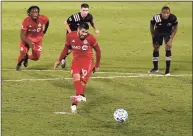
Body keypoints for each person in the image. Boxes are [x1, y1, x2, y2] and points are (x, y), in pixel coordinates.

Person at [54, 23, 101, 113]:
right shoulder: (70, 36)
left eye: (86, 32)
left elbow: (98, 50)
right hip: (76, 60)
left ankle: (75, 103)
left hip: (88, 61)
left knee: (82, 83)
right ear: (78, 30)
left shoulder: (91, 38)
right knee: (76, 78)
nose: (84, 34)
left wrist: (97, 65)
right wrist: (59, 60)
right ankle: (81, 96)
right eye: (83, 32)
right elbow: (66, 48)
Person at [61, 3, 100, 68]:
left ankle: (82, 60)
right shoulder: (75, 17)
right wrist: (70, 32)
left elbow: (92, 22)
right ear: (80, 10)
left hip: (81, 33)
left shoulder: (89, 16)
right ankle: (63, 59)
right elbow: (66, 22)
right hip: (73, 32)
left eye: (87, 10)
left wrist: (95, 30)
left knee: (81, 47)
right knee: (72, 48)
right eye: (84, 10)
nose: (85, 12)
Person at [16, 5, 49, 71]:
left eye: (36, 12)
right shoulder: (26, 20)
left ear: (38, 13)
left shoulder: (43, 18)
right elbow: (22, 35)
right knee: (22, 53)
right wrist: (29, 42)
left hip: (37, 40)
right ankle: (19, 64)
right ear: (29, 13)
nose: (34, 13)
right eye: (33, 12)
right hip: (26, 39)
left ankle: (26, 57)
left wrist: (44, 31)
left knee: (36, 58)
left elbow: (47, 21)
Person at [149, 6, 178, 75]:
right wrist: (153, 35)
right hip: (158, 33)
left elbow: (175, 29)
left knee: (168, 48)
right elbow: (151, 25)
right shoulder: (156, 17)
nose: (165, 14)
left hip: (168, 34)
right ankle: (155, 68)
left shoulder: (173, 18)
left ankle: (167, 70)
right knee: (156, 48)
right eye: (164, 13)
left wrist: (171, 40)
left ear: (169, 13)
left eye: (167, 13)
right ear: (161, 13)